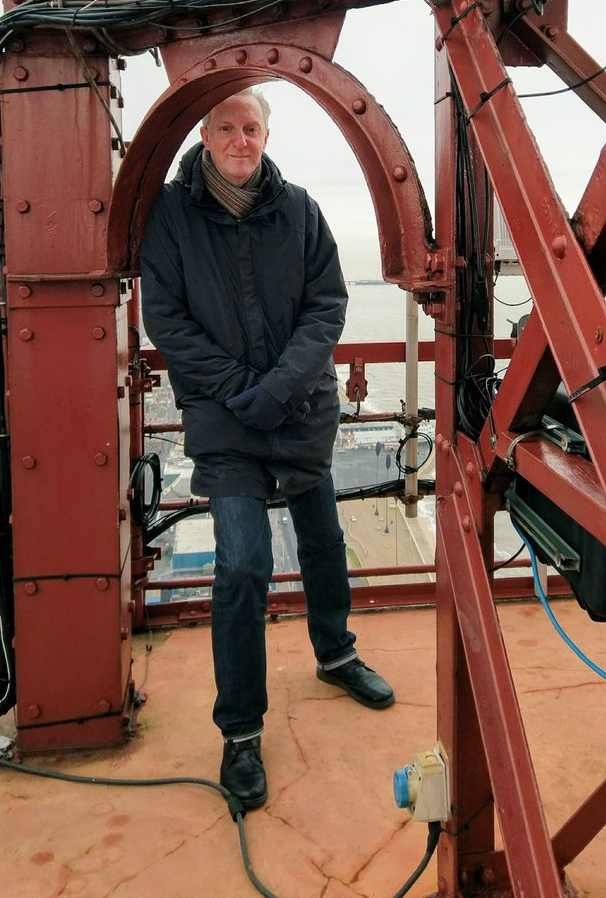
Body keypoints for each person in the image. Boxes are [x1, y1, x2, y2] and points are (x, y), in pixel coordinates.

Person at [140, 87, 394, 810]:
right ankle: (241, 732)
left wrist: (279, 389)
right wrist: (238, 387)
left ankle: (336, 653)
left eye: (252, 128)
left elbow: (328, 304)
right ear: (206, 133)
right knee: (244, 564)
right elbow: (167, 317)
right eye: (228, 128)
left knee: (322, 539)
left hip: (299, 411)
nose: (241, 141)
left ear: (266, 132)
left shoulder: (301, 209)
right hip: (226, 425)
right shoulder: (170, 216)